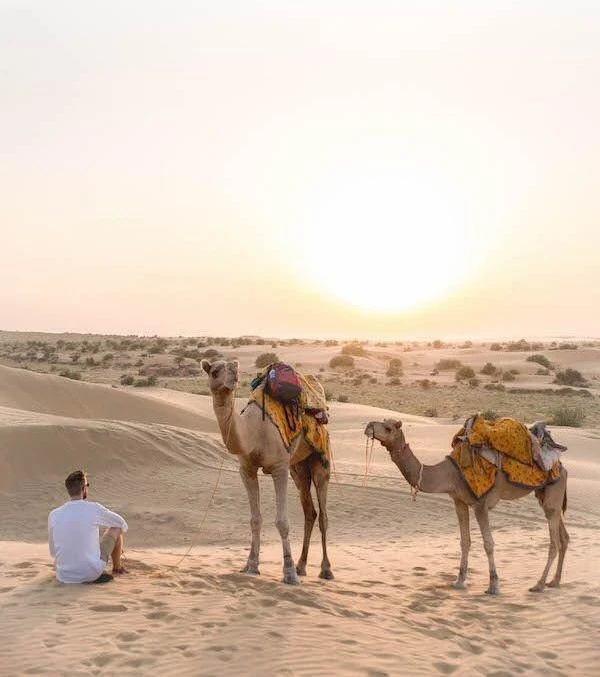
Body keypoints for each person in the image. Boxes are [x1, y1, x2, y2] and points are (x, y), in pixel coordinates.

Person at [48, 469, 129, 584]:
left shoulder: (53, 514)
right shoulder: (94, 508)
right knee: (115, 528)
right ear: (84, 488)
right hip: (91, 573)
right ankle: (117, 567)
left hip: (63, 575)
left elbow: (53, 552)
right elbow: (121, 523)